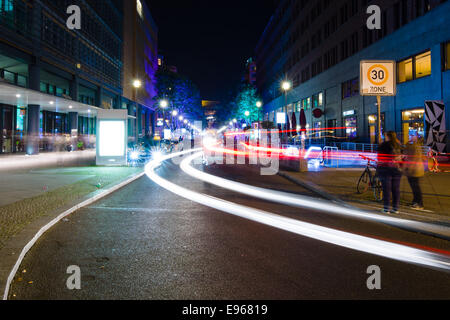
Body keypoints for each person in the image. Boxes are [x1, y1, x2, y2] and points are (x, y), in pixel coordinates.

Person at [377, 131, 403, 214]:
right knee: (396, 189)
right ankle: (395, 208)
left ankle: (386, 208)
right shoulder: (399, 145)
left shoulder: (383, 145)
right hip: (397, 169)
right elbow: (402, 156)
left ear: (387, 136)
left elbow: (380, 158)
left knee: (386, 189)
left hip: (386, 169)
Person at [403, 137, 425, 210]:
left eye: (412, 138)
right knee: (415, 187)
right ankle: (415, 202)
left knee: (416, 188)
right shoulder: (416, 146)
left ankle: (419, 204)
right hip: (415, 170)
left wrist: (408, 168)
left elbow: (410, 157)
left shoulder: (413, 147)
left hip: (414, 170)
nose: (410, 138)